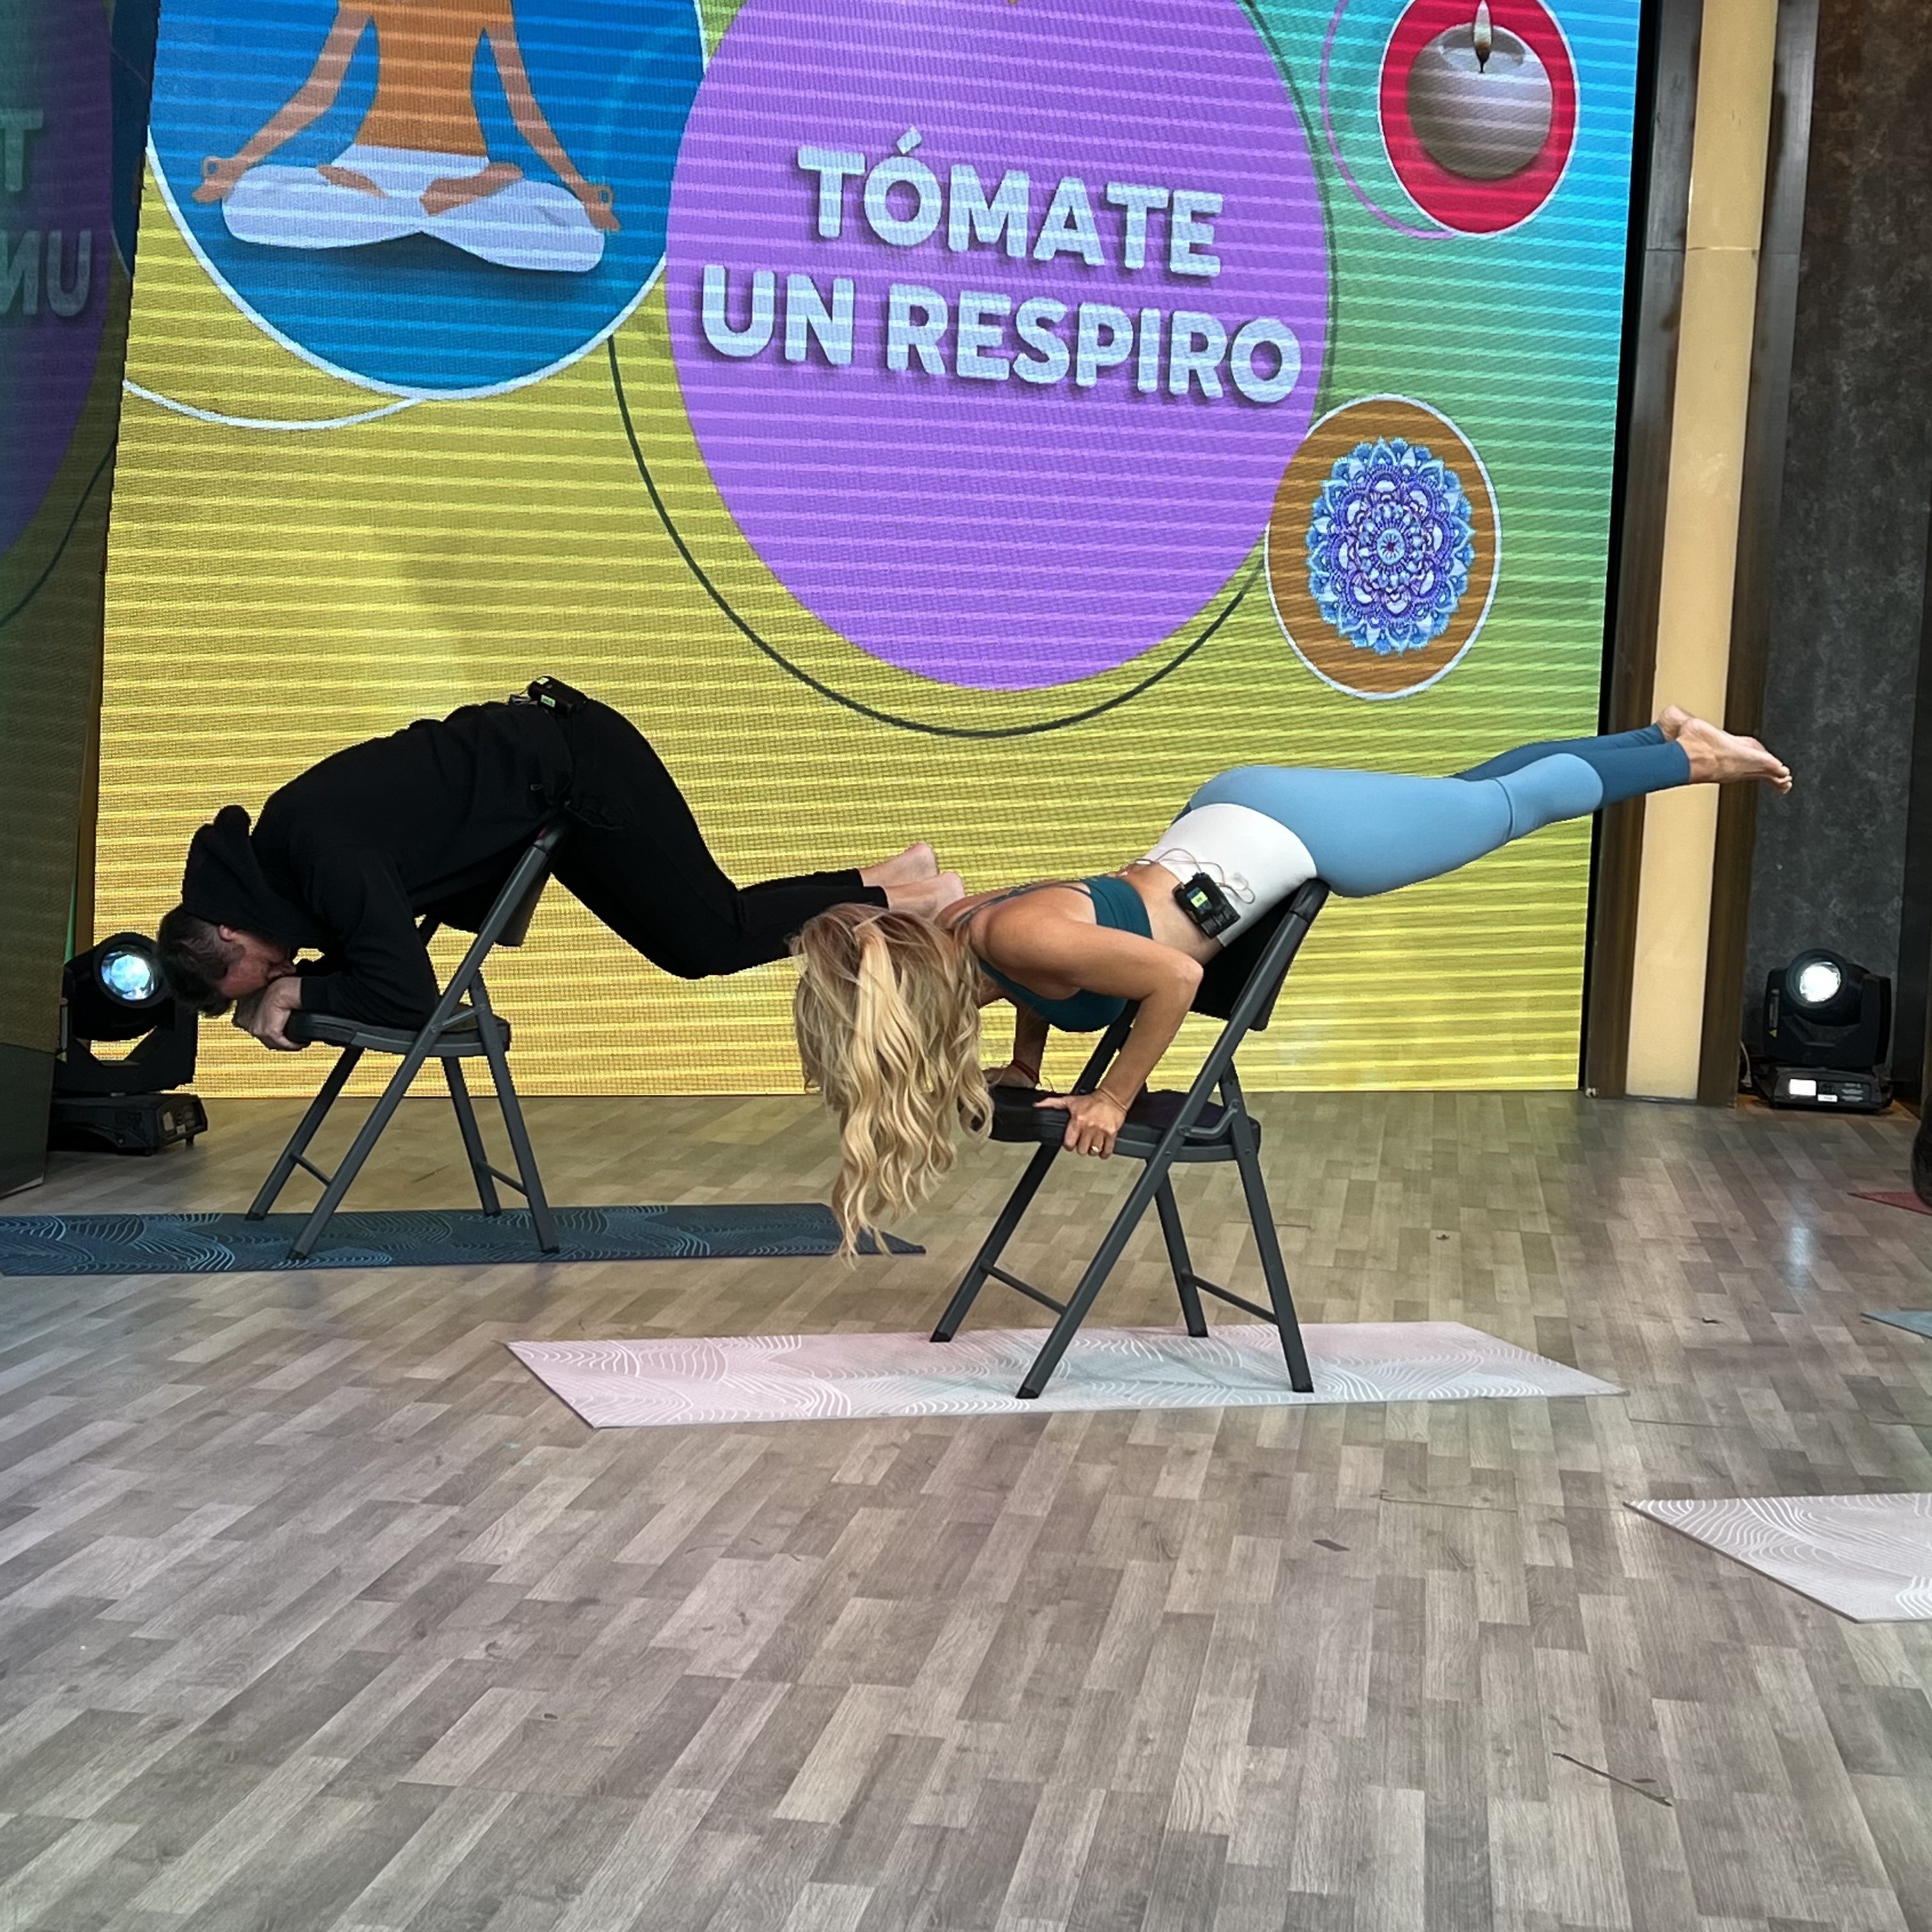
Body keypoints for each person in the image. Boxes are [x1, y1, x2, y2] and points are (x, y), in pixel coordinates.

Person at [793, 709, 1793, 1250]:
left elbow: (1170, 977)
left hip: (1295, 835)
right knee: (1480, 793)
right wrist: (1023, 1067)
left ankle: (1693, 762)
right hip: (1228, 820)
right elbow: (1049, 971)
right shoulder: (968, 934)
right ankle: (1660, 738)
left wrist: (1113, 1097)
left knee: (1503, 806)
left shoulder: (1007, 937)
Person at [157, 679, 962, 1048]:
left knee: (708, 940)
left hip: (578, 769)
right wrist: (302, 983)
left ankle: (901, 898)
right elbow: (369, 952)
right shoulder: (284, 861)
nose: (275, 972)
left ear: (230, 929)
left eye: (256, 974)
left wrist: (299, 991)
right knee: (704, 937)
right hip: (549, 781)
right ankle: (894, 880)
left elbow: (406, 997)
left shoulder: (317, 854)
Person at [193, 0, 618, 275]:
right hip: (376, 161)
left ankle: (390, 207)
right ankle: (431, 207)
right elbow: (320, 92)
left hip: (456, 166)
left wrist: (581, 190)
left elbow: (523, 108)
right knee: (245, 202)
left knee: (584, 242)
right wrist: (239, 165)